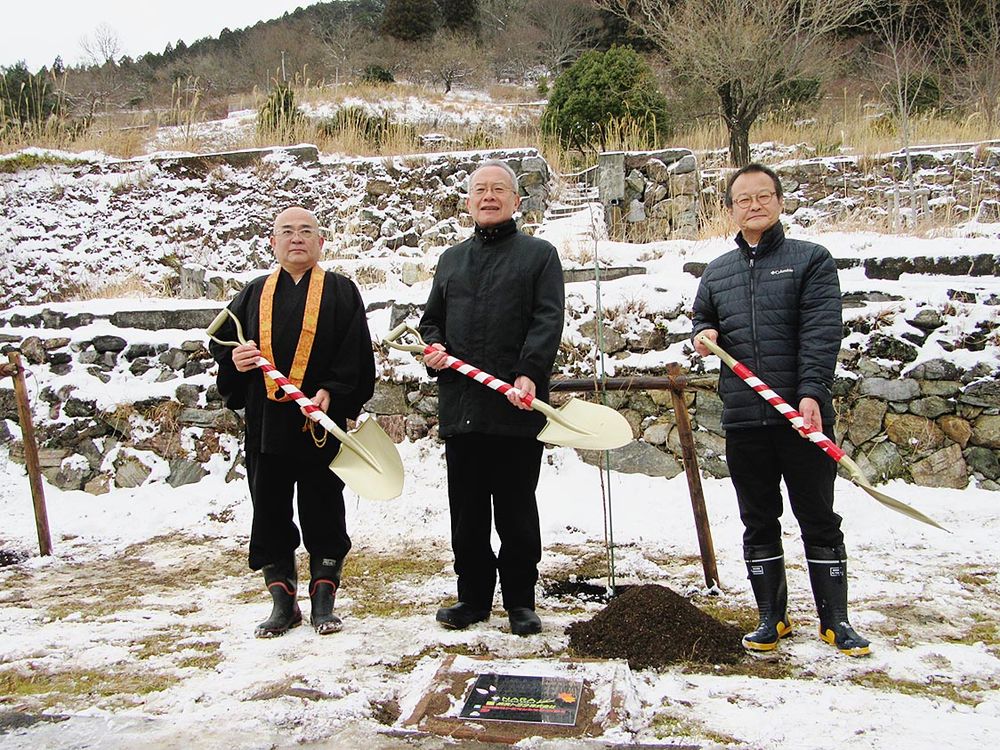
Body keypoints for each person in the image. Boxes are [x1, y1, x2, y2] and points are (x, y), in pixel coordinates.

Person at [692, 164, 870, 657]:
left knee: (818, 517)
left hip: (802, 417)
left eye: (763, 196)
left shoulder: (810, 260)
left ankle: (835, 621)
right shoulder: (717, 272)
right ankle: (772, 617)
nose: (754, 205)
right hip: (744, 418)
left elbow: (821, 331)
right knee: (758, 519)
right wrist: (703, 335)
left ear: (779, 201)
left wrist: (812, 392)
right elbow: (702, 318)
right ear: (731, 209)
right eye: (743, 199)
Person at [210, 206, 375, 638]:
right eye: (286, 231)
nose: (296, 238)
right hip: (267, 425)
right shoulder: (252, 293)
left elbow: (356, 352)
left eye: (305, 231)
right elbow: (220, 340)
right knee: (269, 511)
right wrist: (236, 359)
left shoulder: (341, 291)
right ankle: (282, 602)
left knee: (324, 509)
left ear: (321, 242)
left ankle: (323, 600)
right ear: (273, 242)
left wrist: (333, 392)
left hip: (319, 424)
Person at [419, 160, 564, 636]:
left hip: (515, 406)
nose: (489, 196)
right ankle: (473, 597)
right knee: (467, 511)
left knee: (516, 508)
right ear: (468, 202)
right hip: (462, 407)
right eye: (480, 189)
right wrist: (433, 348)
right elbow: (431, 322)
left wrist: (529, 372)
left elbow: (548, 319)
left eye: (499, 189)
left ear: (516, 201)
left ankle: (520, 600)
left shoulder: (539, 255)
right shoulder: (451, 260)